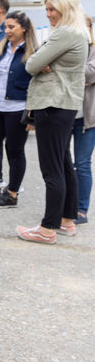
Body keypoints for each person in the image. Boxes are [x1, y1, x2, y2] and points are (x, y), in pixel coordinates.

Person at [18, 0, 89, 244]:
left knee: (52, 168)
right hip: (66, 104)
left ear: (65, 9)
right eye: (47, 10)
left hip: (52, 103)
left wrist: (41, 60)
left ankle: (47, 229)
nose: (48, 15)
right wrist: (42, 61)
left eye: (52, 10)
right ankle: (67, 221)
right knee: (63, 163)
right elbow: (38, 62)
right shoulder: (80, 32)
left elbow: (31, 64)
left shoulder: (64, 33)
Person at [0, 11, 38, 209]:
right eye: (6, 27)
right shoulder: (3, 47)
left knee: (14, 151)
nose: (7, 31)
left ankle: (12, 194)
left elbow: (36, 84)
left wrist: (33, 116)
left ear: (24, 28)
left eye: (11, 27)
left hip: (18, 108)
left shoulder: (33, 52)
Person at [73, 14, 95, 224]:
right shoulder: (72, 48)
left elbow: (90, 74)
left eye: (85, 26)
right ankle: (66, 206)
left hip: (87, 118)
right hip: (66, 112)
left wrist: (66, 68)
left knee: (82, 163)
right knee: (63, 163)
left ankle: (81, 210)